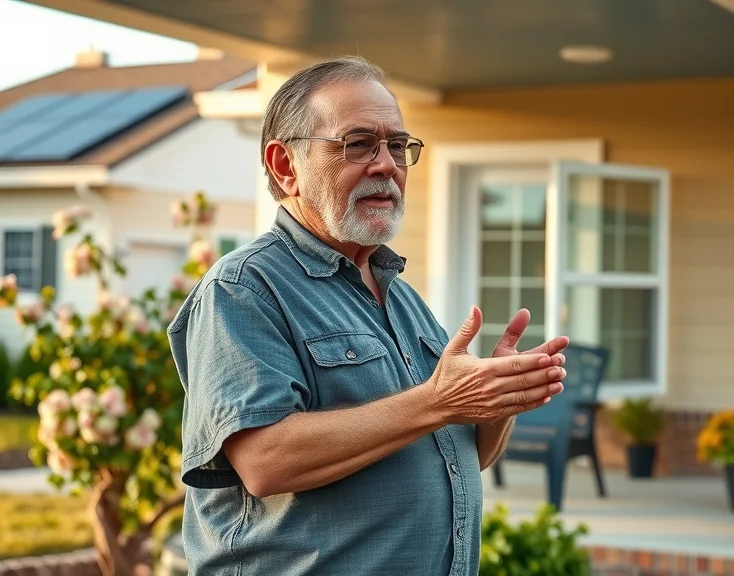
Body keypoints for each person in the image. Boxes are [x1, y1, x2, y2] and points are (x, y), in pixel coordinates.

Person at [167, 55, 569, 576]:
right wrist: (438, 400)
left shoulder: (401, 296)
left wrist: (495, 403)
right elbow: (265, 461)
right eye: (358, 144)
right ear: (285, 166)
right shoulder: (245, 288)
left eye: (398, 146)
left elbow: (456, 453)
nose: (386, 165)